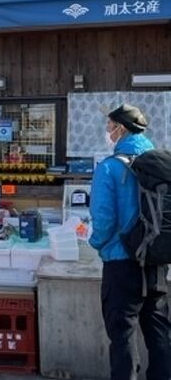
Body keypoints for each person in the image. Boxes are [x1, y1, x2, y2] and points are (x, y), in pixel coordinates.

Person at [89, 104, 171, 380]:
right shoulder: (161, 163)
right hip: (156, 257)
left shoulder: (109, 168)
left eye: (109, 126)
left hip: (121, 260)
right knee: (159, 328)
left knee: (122, 333)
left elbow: (103, 220)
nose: (107, 132)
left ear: (121, 128)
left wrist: (97, 244)